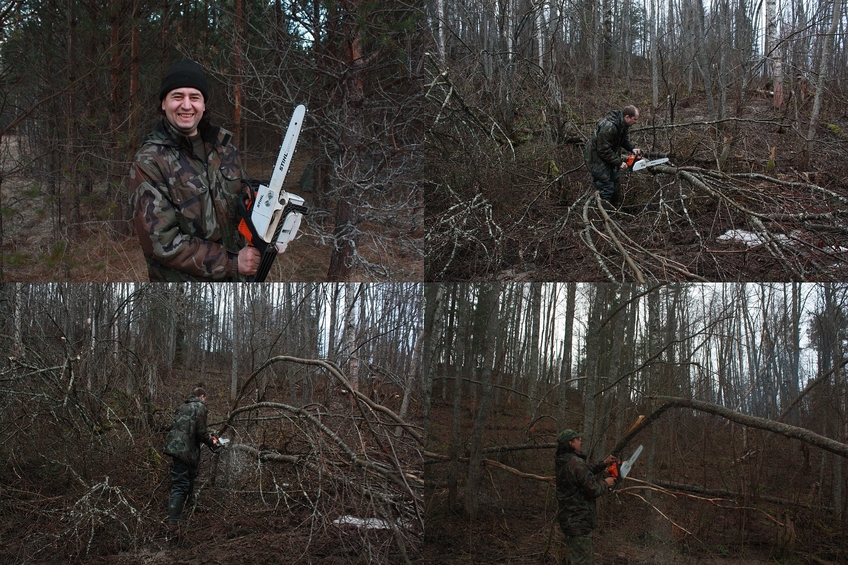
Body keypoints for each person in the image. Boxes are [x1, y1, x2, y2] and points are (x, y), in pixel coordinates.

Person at [130, 58, 261, 281]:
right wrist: (230, 263)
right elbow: (161, 242)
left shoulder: (223, 147)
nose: (187, 105)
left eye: (195, 97)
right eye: (177, 96)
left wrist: (259, 205)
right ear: (163, 104)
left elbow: (238, 200)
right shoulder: (150, 160)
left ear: (204, 104)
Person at [555, 429, 617, 565]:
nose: (580, 441)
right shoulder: (576, 463)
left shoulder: (563, 461)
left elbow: (585, 470)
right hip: (579, 522)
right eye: (577, 439)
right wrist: (606, 483)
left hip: (569, 520)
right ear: (571, 443)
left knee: (574, 558)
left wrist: (604, 463)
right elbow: (593, 489)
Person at [163, 387, 219, 537]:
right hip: (185, 449)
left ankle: (189, 505)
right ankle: (173, 526)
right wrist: (212, 442)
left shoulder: (182, 406)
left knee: (190, 476)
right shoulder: (200, 406)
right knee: (180, 483)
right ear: (202, 396)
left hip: (175, 447)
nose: (205, 401)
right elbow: (201, 432)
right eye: (205, 398)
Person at [584, 105, 643, 210]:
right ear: (627, 117)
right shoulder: (609, 127)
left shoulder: (622, 125)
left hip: (609, 155)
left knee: (615, 180)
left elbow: (623, 140)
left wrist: (632, 148)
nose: (636, 122)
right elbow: (603, 150)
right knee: (606, 186)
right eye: (635, 119)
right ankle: (605, 215)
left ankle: (614, 209)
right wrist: (619, 163)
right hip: (596, 158)